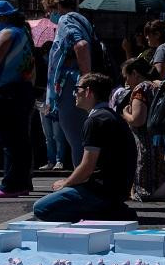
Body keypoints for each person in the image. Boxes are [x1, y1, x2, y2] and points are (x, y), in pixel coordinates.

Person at [33, 73, 136, 222]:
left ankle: (109, 214)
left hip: (100, 192)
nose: (75, 93)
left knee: (41, 208)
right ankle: (110, 209)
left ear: (88, 91)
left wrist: (66, 183)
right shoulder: (112, 116)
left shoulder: (94, 121)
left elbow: (87, 166)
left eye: (77, 89)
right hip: (118, 190)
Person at [0, 0, 36, 198]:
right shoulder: (23, 33)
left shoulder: (7, 33)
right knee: (20, 140)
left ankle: (9, 185)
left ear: (2, 18)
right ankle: (22, 182)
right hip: (22, 91)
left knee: (9, 140)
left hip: (6, 93)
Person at [120, 58, 165, 201]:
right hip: (162, 141)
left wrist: (125, 113)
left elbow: (138, 120)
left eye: (127, 77)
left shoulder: (141, 88)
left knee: (148, 190)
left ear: (135, 73)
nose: (126, 82)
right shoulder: (158, 86)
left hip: (147, 145)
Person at [43, 0, 94, 167]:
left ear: (57, 5)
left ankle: (80, 185)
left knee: (76, 139)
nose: (49, 15)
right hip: (76, 84)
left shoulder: (66, 19)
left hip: (71, 85)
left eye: (49, 10)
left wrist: (85, 80)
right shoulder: (82, 19)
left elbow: (80, 45)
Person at [35, 42, 66, 170]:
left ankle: (59, 160)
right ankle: (51, 160)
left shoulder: (58, 65)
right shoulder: (40, 65)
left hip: (54, 99)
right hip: (42, 99)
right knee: (48, 133)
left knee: (57, 133)